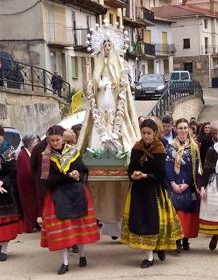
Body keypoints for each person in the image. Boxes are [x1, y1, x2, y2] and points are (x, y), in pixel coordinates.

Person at [77, 25, 141, 240]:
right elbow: (91, 93)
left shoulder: (119, 67)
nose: (105, 47)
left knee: (121, 139)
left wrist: (114, 86)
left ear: (113, 47)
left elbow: (124, 95)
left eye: (108, 44)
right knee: (96, 137)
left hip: (116, 115)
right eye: (103, 44)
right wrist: (97, 85)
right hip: (100, 116)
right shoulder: (96, 67)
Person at [121, 119, 182, 268]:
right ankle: (151, 252)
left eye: (149, 133)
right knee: (140, 221)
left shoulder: (160, 148)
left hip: (153, 191)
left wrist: (146, 176)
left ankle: (153, 253)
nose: (146, 136)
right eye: (143, 133)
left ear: (155, 133)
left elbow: (161, 174)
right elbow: (131, 168)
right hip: (138, 191)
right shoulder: (136, 147)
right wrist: (133, 175)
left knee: (153, 222)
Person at [40, 125, 99, 274]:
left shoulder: (73, 151)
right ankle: (65, 262)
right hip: (57, 195)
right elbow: (47, 180)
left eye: (57, 140)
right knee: (62, 230)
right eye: (51, 140)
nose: (54, 143)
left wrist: (77, 175)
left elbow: (83, 170)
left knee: (77, 225)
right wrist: (67, 176)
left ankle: (82, 255)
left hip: (76, 192)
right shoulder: (46, 156)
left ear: (63, 138)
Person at [166, 118, 202, 252]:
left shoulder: (194, 146)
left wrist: (187, 183)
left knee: (186, 212)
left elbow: (195, 166)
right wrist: (172, 182)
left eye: (185, 128)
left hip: (188, 184)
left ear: (189, 129)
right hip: (173, 183)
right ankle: (177, 241)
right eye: (180, 128)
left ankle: (185, 239)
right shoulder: (170, 145)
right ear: (176, 129)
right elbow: (168, 165)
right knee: (175, 212)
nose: (183, 130)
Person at [0, 125, 22, 261]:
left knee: (4, 220)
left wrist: (2, 182)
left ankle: (4, 248)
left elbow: (13, 170)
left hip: (4, 189)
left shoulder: (7, 149)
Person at [16, 134, 40, 233]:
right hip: (27, 185)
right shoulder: (22, 155)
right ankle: (29, 225)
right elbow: (26, 172)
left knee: (34, 204)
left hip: (32, 184)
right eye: (35, 143)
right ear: (29, 144)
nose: (37, 144)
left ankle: (35, 223)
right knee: (29, 205)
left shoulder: (31, 153)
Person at [199, 141, 218, 251]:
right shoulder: (212, 150)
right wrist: (202, 187)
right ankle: (215, 236)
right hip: (214, 183)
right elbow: (206, 169)